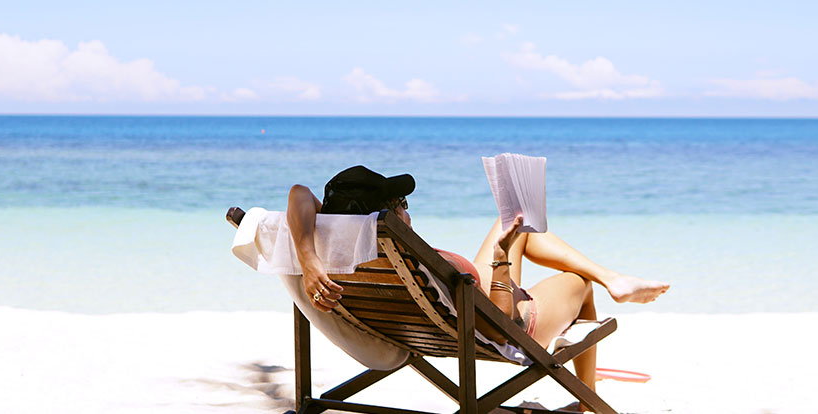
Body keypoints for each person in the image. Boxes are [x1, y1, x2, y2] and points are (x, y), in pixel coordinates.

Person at [287, 165, 670, 400]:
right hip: (501, 323)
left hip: (436, 312)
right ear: (386, 215)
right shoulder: (417, 256)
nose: (406, 208)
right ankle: (589, 397)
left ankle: (614, 280)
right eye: (400, 201)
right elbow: (500, 327)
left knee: (514, 222)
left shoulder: (330, 245)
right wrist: (501, 259)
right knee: (579, 283)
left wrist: (308, 262)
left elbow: (299, 193)